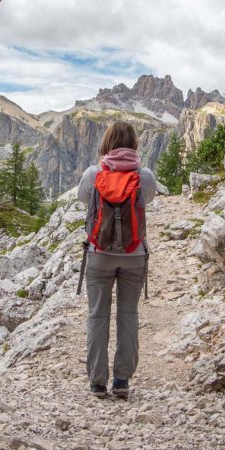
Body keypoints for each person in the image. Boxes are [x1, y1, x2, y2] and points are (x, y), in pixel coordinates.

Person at [77, 121, 157, 400]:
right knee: (128, 315)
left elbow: (83, 199)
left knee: (97, 315)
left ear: (107, 142)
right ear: (134, 143)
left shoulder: (93, 173)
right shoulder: (145, 176)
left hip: (99, 255)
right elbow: (147, 200)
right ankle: (122, 380)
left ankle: (98, 382)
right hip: (134, 255)